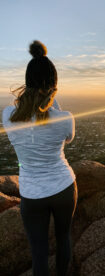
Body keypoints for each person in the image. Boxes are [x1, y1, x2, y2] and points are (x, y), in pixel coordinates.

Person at [2, 40, 78, 276]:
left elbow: (32, 113)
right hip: (64, 187)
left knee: (39, 252)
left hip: (32, 194)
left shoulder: (8, 116)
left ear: (27, 83)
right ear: (54, 86)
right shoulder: (65, 118)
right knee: (64, 238)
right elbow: (68, 139)